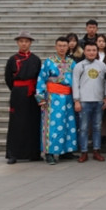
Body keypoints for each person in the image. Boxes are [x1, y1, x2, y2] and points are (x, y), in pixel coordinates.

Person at [35, 36, 78, 165]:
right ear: (55, 46)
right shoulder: (49, 62)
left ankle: (66, 151)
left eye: (64, 46)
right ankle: (49, 152)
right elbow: (41, 79)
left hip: (68, 98)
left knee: (68, 124)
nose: (62, 48)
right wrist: (41, 98)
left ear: (68, 47)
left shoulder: (72, 63)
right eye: (59, 46)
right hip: (52, 98)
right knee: (52, 125)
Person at [5, 30, 42, 164]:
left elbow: (39, 78)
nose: (24, 44)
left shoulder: (36, 59)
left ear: (30, 43)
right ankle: (13, 154)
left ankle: (33, 153)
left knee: (33, 122)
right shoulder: (12, 59)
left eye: (26, 41)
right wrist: (18, 90)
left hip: (32, 94)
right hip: (18, 94)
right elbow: (8, 78)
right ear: (18, 43)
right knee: (17, 123)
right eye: (21, 41)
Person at [72, 42, 106, 162]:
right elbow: (75, 83)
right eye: (89, 50)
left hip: (98, 100)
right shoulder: (79, 66)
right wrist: (76, 100)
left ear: (97, 51)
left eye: (94, 50)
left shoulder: (102, 65)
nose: (91, 52)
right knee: (83, 128)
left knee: (97, 127)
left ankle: (96, 150)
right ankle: (84, 151)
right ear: (84, 51)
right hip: (84, 101)